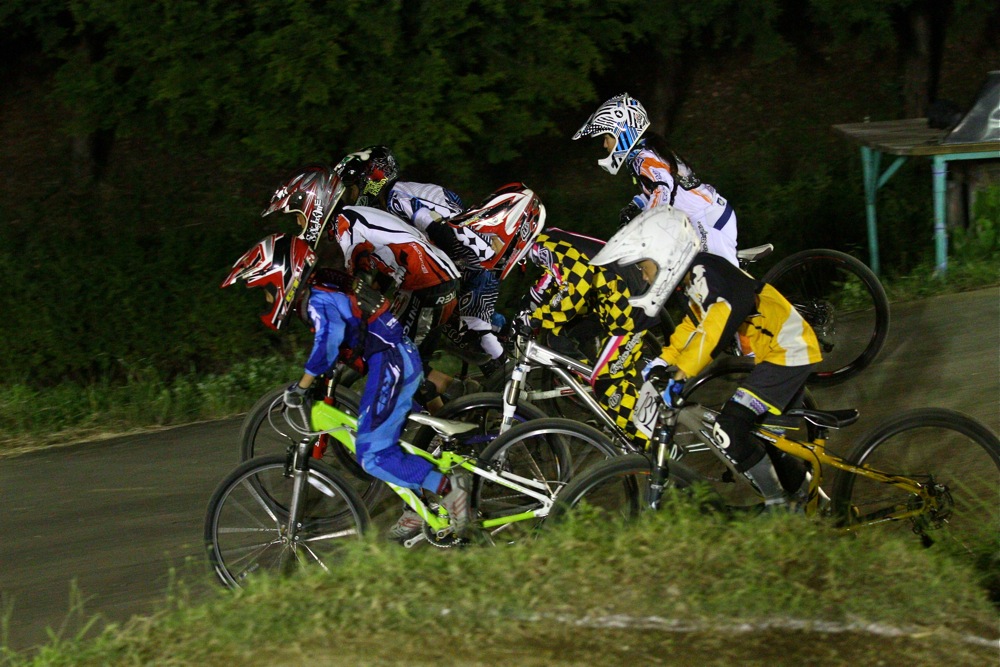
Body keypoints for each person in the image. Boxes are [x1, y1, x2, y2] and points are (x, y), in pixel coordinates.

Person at [220, 232, 472, 538]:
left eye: (267, 291)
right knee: (384, 445)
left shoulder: (317, 300)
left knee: (372, 454)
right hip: (393, 359)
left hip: (391, 364)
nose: (268, 299)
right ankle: (420, 508)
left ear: (283, 280)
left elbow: (329, 342)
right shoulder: (322, 287)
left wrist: (304, 383)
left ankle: (447, 487)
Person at [591, 206, 823, 509]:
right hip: (777, 352)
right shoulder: (697, 277)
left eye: (643, 266)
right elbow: (693, 325)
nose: (643, 276)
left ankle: (779, 505)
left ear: (666, 254)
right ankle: (811, 499)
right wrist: (664, 360)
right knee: (764, 439)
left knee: (730, 427)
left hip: (788, 352)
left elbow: (715, 326)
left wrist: (681, 374)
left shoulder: (705, 270)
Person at [261, 163, 462, 409]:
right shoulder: (351, 218)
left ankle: (457, 410)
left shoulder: (347, 228)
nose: (299, 224)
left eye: (297, 216)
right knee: (405, 357)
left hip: (427, 285)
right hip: (425, 283)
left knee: (402, 363)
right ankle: (456, 406)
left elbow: (351, 285)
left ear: (312, 205)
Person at [336, 147, 545, 382]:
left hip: (472, 253)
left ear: (370, 180)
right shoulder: (392, 198)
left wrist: (452, 261)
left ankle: (511, 378)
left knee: (472, 323)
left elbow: (436, 226)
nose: (348, 196)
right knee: (453, 321)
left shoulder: (395, 197)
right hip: (466, 251)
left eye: (351, 187)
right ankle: (503, 349)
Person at [522, 227, 658, 443]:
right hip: (612, 304)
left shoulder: (544, 247)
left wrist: (536, 317)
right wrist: (531, 309)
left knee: (606, 382)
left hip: (630, 310)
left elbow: (577, 283)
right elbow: (553, 282)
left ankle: (653, 444)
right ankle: (599, 377)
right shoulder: (547, 241)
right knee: (556, 337)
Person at [573, 92, 739, 267]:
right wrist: (634, 205)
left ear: (622, 134)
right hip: (706, 217)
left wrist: (642, 226)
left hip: (707, 222)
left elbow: (663, 190)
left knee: (718, 283)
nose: (605, 145)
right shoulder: (646, 151)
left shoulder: (643, 158)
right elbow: (659, 188)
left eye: (607, 138)